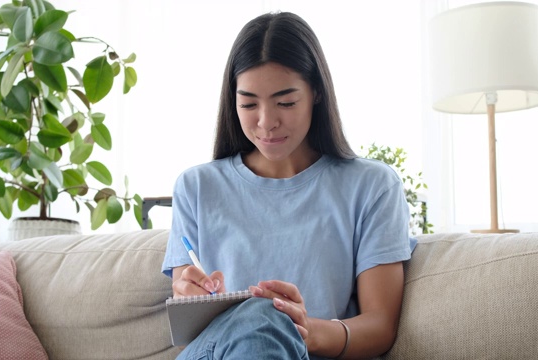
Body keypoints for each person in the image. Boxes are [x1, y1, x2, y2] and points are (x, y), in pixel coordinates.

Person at [162, 11, 417, 360]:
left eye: (285, 102)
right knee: (263, 314)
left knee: (268, 314)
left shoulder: (372, 187)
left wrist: (303, 330)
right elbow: (188, 328)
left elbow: (380, 325)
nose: (267, 122)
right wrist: (189, 295)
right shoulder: (196, 187)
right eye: (249, 103)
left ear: (315, 92)